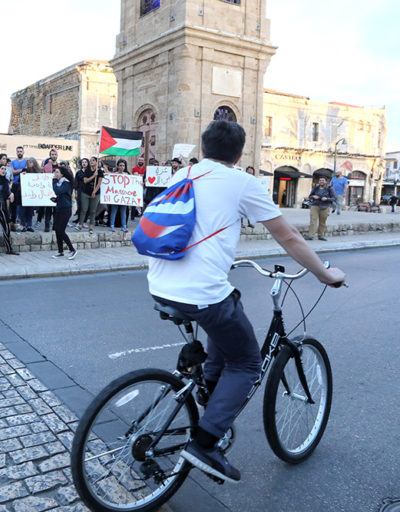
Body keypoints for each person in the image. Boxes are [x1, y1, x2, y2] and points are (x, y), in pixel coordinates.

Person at [145, 120, 345, 484]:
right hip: (200, 293)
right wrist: (324, 274)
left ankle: (209, 396)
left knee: (228, 310)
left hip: (159, 284)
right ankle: (204, 443)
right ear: (239, 154)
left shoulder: (184, 175)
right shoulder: (243, 183)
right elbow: (289, 236)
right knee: (248, 362)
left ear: (204, 149)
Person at [0, 164, 19, 257]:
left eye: (5, 169)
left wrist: (11, 194)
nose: (4, 170)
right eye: (2, 169)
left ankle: (9, 249)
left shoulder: (6, 181)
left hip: (4, 207)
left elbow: (8, 193)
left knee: (7, 228)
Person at [52, 166, 77, 259]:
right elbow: (63, 196)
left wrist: (53, 181)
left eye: (57, 172)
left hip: (65, 210)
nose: (55, 174)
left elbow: (57, 191)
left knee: (60, 230)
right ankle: (60, 251)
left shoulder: (65, 182)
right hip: (60, 208)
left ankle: (72, 249)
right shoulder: (61, 182)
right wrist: (56, 200)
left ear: (62, 174)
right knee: (57, 231)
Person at [77, 156, 103, 233]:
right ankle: (80, 225)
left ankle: (91, 227)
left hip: (96, 193)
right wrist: (93, 176)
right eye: (90, 160)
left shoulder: (100, 171)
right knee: (84, 209)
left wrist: (94, 192)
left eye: (93, 160)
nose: (91, 162)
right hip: (85, 192)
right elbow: (85, 181)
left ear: (96, 162)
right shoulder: (87, 170)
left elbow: (99, 184)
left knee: (93, 211)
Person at [39, 148, 60, 231]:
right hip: (48, 190)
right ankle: (47, 225)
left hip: (57, 190)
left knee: (56, 209)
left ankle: (55, 226)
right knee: (48, 209)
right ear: (50, 156)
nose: (54, 156)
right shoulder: (46, 166)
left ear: (57, 156)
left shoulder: (60, 166)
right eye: (52, 154)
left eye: (55, 154)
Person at [18, 157, 40, 232]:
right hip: (24, 194)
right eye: (28, 162)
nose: (29, 164)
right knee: (23, 211)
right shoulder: (25, 170)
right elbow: (19, 180)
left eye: (30, 162)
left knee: (30, 211)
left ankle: (29, 225)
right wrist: (23, 175)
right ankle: (23, 225)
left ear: (34, 163)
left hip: (32, 195)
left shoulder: (38, 172)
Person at [109, 159, 130, 233]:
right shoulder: (114, 174)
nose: (122, 167)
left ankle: (124, 226)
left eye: (123, 166)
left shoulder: (127, 175)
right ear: (117, 166)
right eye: (120, 165)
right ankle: (112, 225)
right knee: (114, 211)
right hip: (115, 196)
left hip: (123, 196)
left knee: (123, 211)